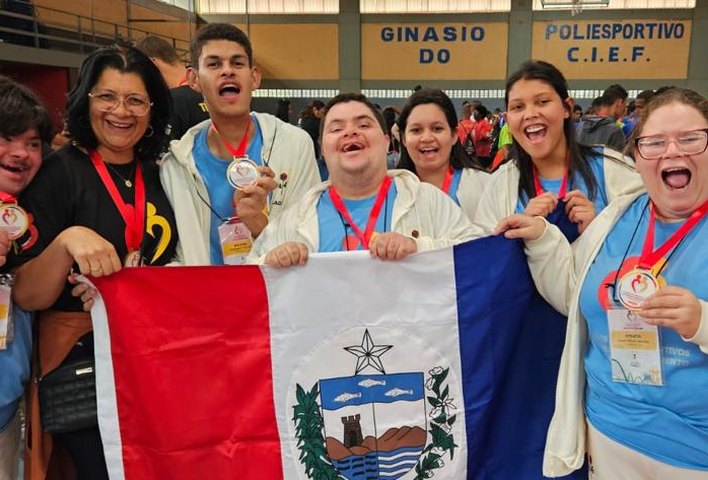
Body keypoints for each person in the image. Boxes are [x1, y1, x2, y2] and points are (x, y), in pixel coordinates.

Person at [497, 87, 708, 479]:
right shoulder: (618, 216)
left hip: (707, 454)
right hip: (608, 436)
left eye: (691, 138)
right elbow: (573, 296)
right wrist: (542, 239)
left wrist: (706, 322)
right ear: (638, 158)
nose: (672, 152)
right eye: (654, 143)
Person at [10, 44, 178, 480]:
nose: (120, 111)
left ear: (151, 108)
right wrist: (67, 240)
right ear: (86, 99)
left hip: (149, 355)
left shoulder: (162, 174)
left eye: (135, 100)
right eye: (107, 96)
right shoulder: (59, 172)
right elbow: (27, 293)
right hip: (82, 364)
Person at [249, 93, 482, 267]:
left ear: (385, 142)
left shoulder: (427, 200)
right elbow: (249, 276)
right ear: (323, 148)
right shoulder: (297, 216)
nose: (350, 132)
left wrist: (420, 247)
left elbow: (478, 255)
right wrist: (270, 263)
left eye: (363, 125)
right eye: (336, 128)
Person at [160, 23, 320, 266]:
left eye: (237, 63)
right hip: (208, 299)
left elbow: (311, 237)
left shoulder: (294, 145)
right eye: (214, 64)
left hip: (273, 295)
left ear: (254, 77)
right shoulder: (176, 165)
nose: (227, 71)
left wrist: (260, 225)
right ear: (193, 79)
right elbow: (176, 255)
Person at [475, 61, 642, 243]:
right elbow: (485, 258)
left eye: (542, 102)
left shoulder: (613, 169)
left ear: (566, 108)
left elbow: (649, 243)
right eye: (518, 107)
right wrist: (518, 236)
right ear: (507, 119)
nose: (530, 114)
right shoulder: (499, 184)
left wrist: (597, 230)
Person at [0, 76, 52, 480]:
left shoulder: (25, 218)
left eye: (33, 143)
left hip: (9, 412)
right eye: (7, 137)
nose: (21, 153)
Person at [395, 88, 489, 221]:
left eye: (437, 128)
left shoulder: (485, 187)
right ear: (404, 138)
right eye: (416, 130)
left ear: (454, 135)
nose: (427, 138)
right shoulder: (392, 192)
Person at [576, 87, 627, 152]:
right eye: (625, 105)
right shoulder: (615, 131)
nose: (624, 110)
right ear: (619, 102)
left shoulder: (581, 126)